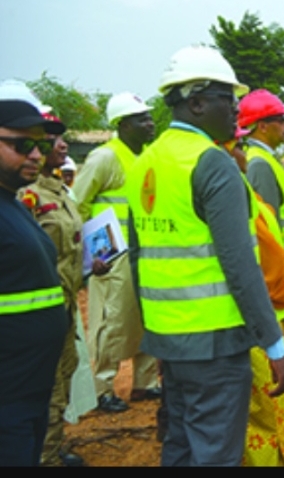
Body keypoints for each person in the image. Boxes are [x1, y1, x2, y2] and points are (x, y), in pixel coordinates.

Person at [128, 45, 284, 466]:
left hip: (169, 335)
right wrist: (274, 345)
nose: (236, 108)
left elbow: (138, 255)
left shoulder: (147, 161)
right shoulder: (211, 162)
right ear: (196, 102)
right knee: (217, 451)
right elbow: (240, 265)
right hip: (214, 340)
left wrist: (155, 326)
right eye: (227, 98)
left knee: (181, 442)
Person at [220, 134, 284, 467]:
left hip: (274, 313)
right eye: (235, 148)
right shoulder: (235, 203)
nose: (242, 154)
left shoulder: (250, 196)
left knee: (277, 400)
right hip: (258, 319)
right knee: (265, 403)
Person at [17, 126, 102, 467]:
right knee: (49, 384)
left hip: (64, 304)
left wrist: (89, 267)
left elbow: (67, 251)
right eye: (52, 141)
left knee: (66, 372)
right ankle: (44, 457)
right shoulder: (27, 195)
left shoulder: (61, 190)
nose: (62, 145)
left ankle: (52, 447)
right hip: (38, 308)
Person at [72, 91, 160, 413]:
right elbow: (76, 205)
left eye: (148, 117)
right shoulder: (104, 158)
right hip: (113, 255)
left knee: (145, 316)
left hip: (144, 251)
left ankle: (145, 382)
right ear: (122, 124)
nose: (150, 123)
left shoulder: (146, 156)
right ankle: (103, 388)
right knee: (112, 319)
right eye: (142, 119)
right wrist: (84, 256)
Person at [0, 79, 69, 466]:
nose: (35, 155)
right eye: (20, 145)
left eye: (39, 146)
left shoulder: (13, 204)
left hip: (30, 393)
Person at [237, 90, 284, 286]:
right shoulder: (260, 164)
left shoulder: (267, 158)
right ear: (262, 126)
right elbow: (269, 228)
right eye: (280, 120)